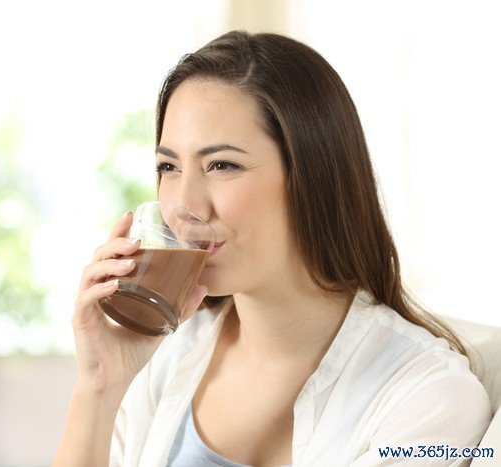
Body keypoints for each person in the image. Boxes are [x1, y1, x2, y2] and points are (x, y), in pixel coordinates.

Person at [52, 31, 492, 467]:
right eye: (169, 167)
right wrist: (100, 387)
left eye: (222, 165)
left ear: (314, 178)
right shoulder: (164, 353)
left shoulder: (427, 396)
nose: (183, 206)